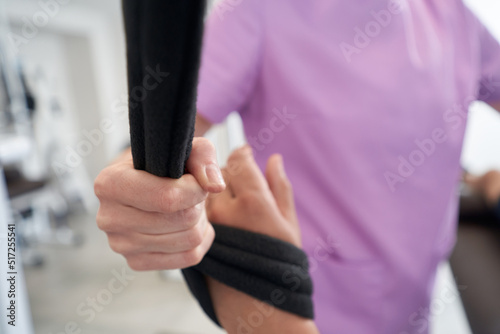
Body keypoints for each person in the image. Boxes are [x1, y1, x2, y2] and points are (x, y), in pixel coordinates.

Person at [94, 0, 500, 332]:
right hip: (313, 302)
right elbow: (159, 137)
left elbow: (407, 139)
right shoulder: (257, 11)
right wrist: (141, 190)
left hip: (419, 298)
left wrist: (482, 179)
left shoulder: (455, 18)